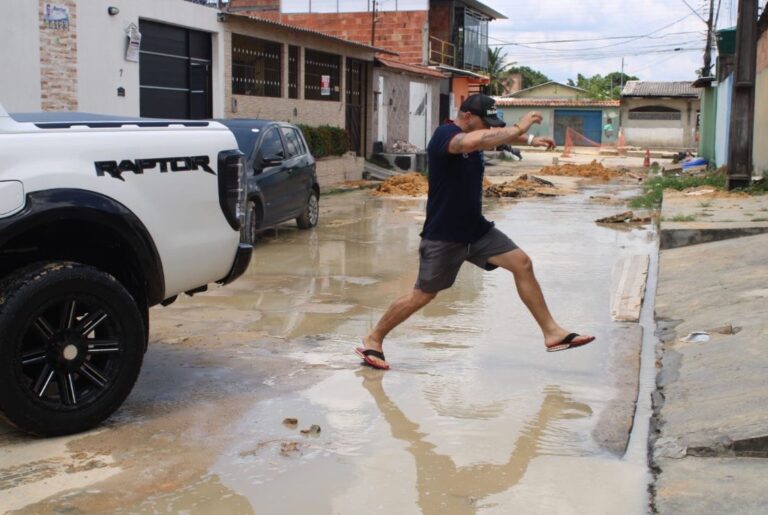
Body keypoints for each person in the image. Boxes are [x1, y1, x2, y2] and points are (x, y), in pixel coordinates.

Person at [356, 93, 595, 370]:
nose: (488, 128)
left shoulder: (477, 132)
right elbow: (476, 141)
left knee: (522, 263)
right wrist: (520, 127)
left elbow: (491, 136)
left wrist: (529, 140)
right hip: (444, 235)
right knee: (422, 295)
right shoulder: (446, 135)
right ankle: (374, 338)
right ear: (467, 116)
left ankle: (552, 333)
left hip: (476, 230)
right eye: (485, 122)